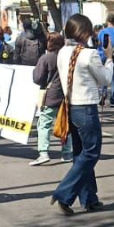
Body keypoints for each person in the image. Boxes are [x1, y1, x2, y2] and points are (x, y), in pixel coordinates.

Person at [51, 14, 109, 216]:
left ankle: (89, 199)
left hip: (70, 107)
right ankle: (64, 193)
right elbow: (105, 80)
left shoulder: (62, 52)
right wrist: (109, 59)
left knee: (80, 154)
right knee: (91, 153)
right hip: (86, 108)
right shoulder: (89, 54)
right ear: (83, 32)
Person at [31, 32, 74, 166]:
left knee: (44, 124)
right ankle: (67, 153)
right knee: (65, 125)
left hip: (50, 95)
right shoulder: (68, 57)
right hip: (66, 95)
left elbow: (38, 78)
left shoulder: (45, 58)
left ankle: (43, 153)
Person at [97, 14, 114, 107]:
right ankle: (113, 100)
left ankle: (103, 93)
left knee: (103, 75)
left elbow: (99, 43)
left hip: (103, 55)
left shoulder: (102, 32)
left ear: (107, 21)